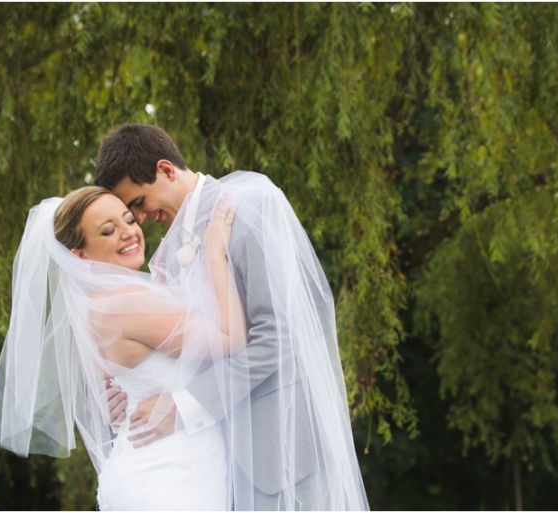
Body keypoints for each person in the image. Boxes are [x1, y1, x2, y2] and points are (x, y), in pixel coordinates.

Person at [94, 124, 369, 510]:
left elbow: (278, 336)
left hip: (279, 452)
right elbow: (181, 349)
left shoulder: (249, 204)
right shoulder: (162, 258)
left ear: (166, 170)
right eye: (129, 211)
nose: (139, 218)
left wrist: (185, 403)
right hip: (210, 468)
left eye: (138, 202)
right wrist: (125, 391)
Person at [0, 186, 245, 510]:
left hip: (143, 466)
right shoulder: (127, 304)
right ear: (80, 255)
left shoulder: (93, 308)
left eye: (128, 220)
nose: (129, 233)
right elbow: (232, 341)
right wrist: (216, 252)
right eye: (108, 230)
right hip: (172, 476)